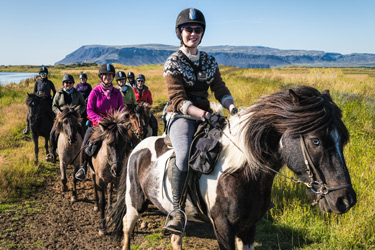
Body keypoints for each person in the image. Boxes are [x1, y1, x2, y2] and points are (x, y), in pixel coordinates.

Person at [163, 8, 238, 233]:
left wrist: (232, 107)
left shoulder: (209, 61)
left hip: (207, 115)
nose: (193, 34)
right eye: (188, 30)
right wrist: (204, 115)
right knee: (184, 153)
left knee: (230, 147)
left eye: (197, 30)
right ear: (180, 32)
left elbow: (220, 89)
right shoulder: (172, 63)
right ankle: (176, 210)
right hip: (181, 116)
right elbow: (178, 100)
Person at [75, 63, 124, 180]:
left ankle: (128, 165)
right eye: (105, 75)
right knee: (85, 143)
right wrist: (101, 120)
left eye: (110, 75)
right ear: (101, 76)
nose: (108, 77)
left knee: (126, 142)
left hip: (114, 126)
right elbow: (90, 110)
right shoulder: (95, 92)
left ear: (113, 77)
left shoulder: (117, 93)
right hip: (98, 126)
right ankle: (83, 168)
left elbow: (121, 109)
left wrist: (120, 120)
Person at [46, 74, 86, 163]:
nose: (68, 84)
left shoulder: (77, 93)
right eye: (66, 82)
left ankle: (84, 152)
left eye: (70, 82)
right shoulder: (58, 94)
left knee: (83, 130)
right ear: (63, 83)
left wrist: (79, 111)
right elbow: (54, 106)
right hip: (61, 118)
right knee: (52, 133)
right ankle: (52, 153)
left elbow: (83, 104)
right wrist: (59, 113)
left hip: (74, 118)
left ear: (73, 83)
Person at [23, 66, 56, 134]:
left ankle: (54, 128)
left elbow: (54, 92)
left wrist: (53, 99)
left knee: (52, 114)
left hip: (47, 101)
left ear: (46, 74)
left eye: (44, 73)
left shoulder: (50, 82)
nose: (43, 74)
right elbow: (35, 92)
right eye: (42, 73)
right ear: (40, 74)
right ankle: (27, 128)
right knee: (29, 114)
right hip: (39, 101)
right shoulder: (37, 83)